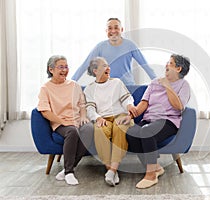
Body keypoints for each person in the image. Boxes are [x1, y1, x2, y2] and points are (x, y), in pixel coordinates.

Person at [125, 54, 191, 189]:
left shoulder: (183, 85)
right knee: (131, 133)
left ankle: (151, 175)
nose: (166, 65)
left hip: (168, 121)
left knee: (147, 131)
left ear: (178, 69)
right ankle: (156, 167)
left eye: (170, 63)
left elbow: (178, 106)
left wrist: (167, 86)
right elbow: (144, 103)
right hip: (149, 119)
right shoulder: (154, 82)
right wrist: (131, 115)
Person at [37, 55, 94, 185]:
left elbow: (82, 104)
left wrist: (84, 116)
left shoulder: (74, 85)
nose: (64, 70)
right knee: (72, 131)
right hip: (61, 123)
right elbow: (45, 111)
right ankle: (69, 172)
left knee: (90, 128)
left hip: (77, 120)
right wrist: (63, 122)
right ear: (51, 69)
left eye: (66, 67)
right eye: (61, 67)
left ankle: (68, 169)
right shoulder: (45, 88)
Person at [84, 57, 137, 186]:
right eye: (104, 66)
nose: (108, 68)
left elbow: (126, 98)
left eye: (108, 65)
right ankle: (110, 169)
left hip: (121, 115)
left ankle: (113, 170)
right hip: (103, 118)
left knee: (120, 128)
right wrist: (97, 118)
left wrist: (130, 106)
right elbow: (90, 108)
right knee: (100, 130)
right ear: (95, 70)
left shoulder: (117, 83)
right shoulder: (89, 89)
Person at [72, 17, 156, 85]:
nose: (113, 31)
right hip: (107, 86)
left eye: (116, 28)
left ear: (121, 30)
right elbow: (85, 64)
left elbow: (144, 65)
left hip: (127, 86)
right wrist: (72, 81)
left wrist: (157, 82)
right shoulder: (100, 46)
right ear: (106, 31)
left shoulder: (130, 45)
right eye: (110, 28)